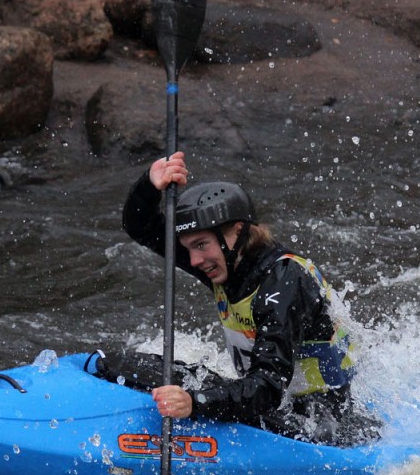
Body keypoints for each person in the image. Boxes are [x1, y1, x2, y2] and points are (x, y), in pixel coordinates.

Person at [114, 150, 371, 445]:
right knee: (131, 367)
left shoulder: (284, 284)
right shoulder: (224, 264)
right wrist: (149, 184)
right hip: (273, 398)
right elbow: (142, 227)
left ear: (236, 232)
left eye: (201, 245)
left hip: (321, 418)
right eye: (189, 247)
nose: (194, 260)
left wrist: (195, 403)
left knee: (199, 395)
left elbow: (268, 387)